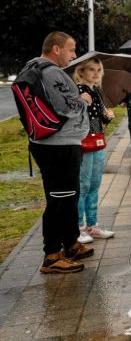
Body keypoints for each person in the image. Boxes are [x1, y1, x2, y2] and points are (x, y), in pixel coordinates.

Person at [18, 32, 94, 274]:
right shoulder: (51, 72)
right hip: (58, 147)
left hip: (55, 144)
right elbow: (66, 106)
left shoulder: (36, 68)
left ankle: (70, 244)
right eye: (71, 50)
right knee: (59, 200)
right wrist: (83, 99)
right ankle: (52, 254)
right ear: (56, 49)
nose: (74, 55)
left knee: (68, 196)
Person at [71, 57, 115, 244]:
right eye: (91, 69)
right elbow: (74, 118)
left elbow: (96, 122)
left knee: (95, 185)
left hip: (97, 142)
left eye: (98, 69)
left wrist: (107, 118)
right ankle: (79, 228)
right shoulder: (77, 91)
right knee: (83, 186)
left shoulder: (96, 91)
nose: (96, 73)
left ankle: (92, 225)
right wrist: (81, 102)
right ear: (81, 72)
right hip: (83, 144)